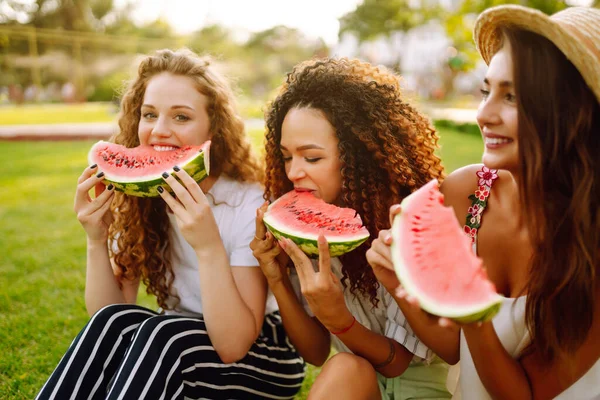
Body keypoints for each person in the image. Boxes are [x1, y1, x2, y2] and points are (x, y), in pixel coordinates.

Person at [36, 48, 304, 400]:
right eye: (149, 115)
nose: (159, 130)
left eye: (181, 117)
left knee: (163, 333)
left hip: (262, 355)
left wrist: (208, 247)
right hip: (171, 341)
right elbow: (109, 313)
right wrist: (95, 240)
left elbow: (233, 345)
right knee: (117, 323)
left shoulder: (248, 203)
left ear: (215, 128)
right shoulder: (140, 195)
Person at [366, 5, 600, 400]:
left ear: (573, 112)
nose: (484, 113)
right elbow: (457, 349)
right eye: (486, 90)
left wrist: (473, 312)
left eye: (512, 97)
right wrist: (397, 278)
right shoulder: (468, 193)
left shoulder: (591, 241)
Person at [251, 57, 451, 400]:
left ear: (361, 156)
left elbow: (398, 362)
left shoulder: (409, 224)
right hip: (356, 385)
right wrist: (277, 279)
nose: (294, 172)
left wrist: (339, 319)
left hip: (425, 393)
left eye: (311, 158)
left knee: (347, 366)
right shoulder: (308, 233)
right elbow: (314, 353)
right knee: (345, 366)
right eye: (286, 157)